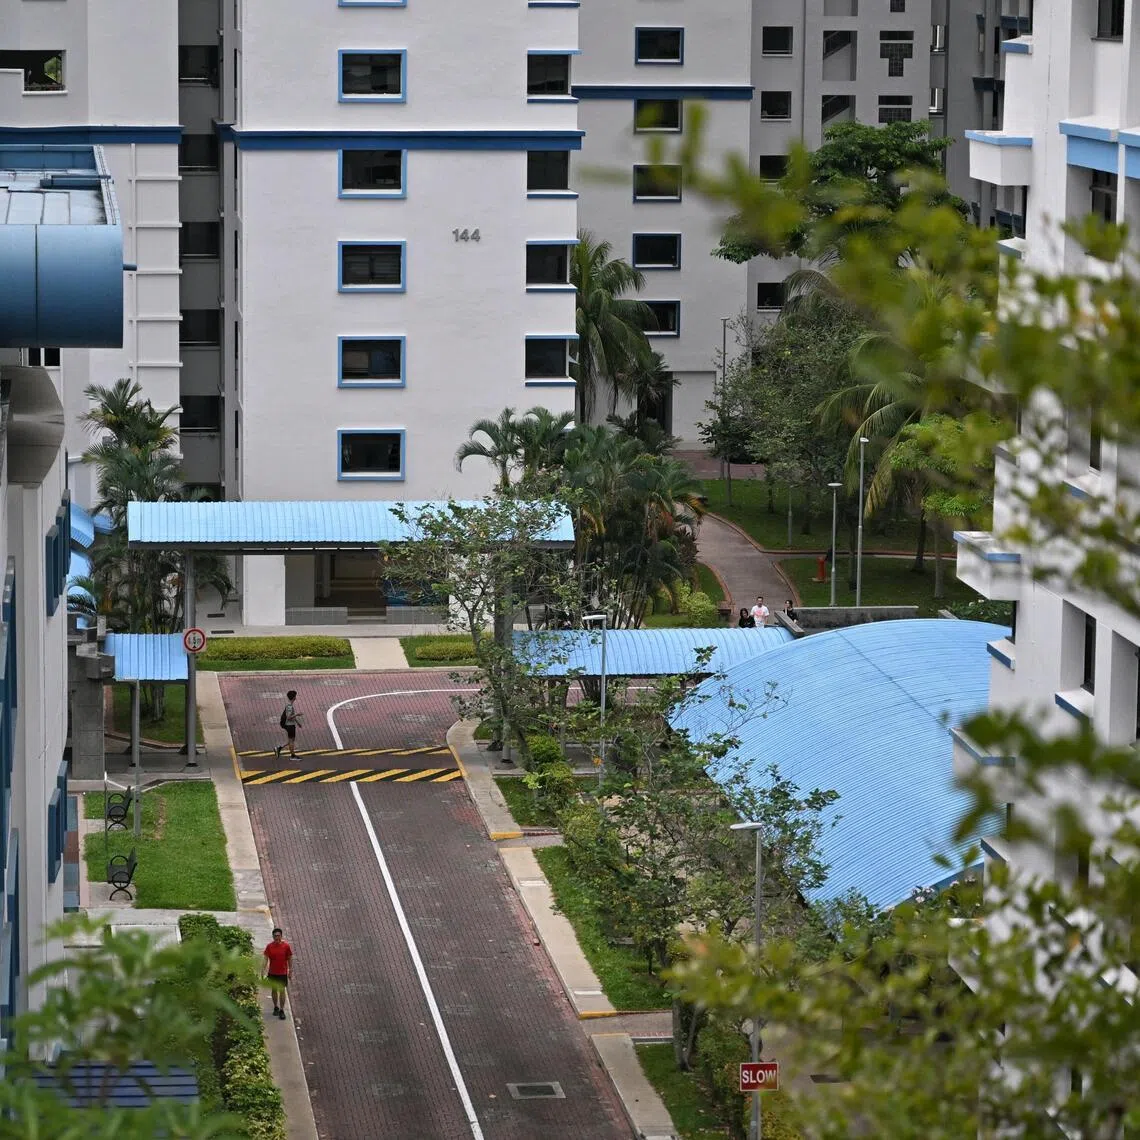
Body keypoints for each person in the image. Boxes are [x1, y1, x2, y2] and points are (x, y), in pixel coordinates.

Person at [263, 927, 293, 1020]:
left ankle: (282, 1010)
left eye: (278, 936)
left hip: (282, 973)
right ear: (273, 936)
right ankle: (276, 1007)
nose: (277, 937)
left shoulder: (286, 946)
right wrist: (263, 970)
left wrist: (290, 970)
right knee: (274, 990)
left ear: (281, 936)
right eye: (275, 936)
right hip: (272, 972)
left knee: (282, 991)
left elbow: (289, 958)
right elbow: (265, 958)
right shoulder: (269, 947)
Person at [275, 690, 301, 760]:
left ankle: (279, 748)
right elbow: (289, 717)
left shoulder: (289, 705)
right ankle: (292, 756)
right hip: (290, 725)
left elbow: (291, 715)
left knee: (291, 740)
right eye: (295, 696)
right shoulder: (289, 706)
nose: (296, 697)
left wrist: (297, 723)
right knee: (291, 741)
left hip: (291, 725)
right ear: (293, 697)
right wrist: (297, 714)